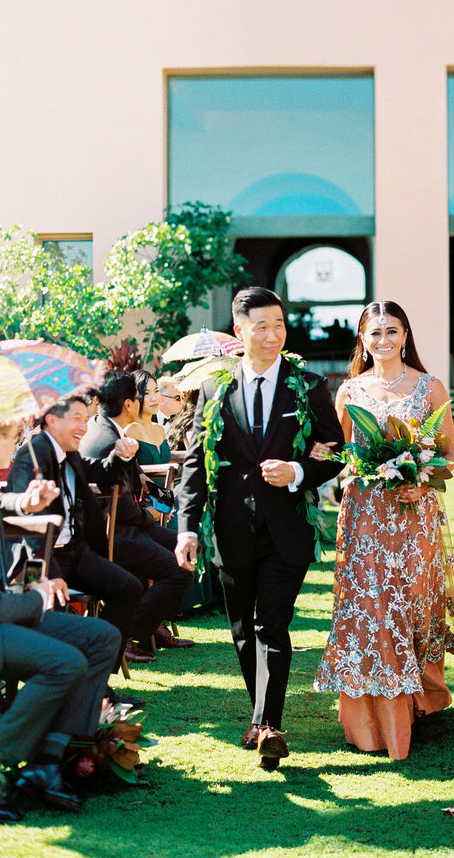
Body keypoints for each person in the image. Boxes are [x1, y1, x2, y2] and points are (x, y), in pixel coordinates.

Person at [176, 286, 344, 770]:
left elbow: (333, 448)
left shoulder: (308, 385)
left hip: (286, 529)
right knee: (241, 629)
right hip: (231, 531)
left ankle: (269, 724)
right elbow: (193, 464)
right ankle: (259, 715)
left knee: (272, 625)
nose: (273, 335)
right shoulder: (213, 388)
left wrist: (298, 473)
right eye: (262, 326)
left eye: (280, 325)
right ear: (239, 331)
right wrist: (187, 529)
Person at [313, 300, 454, 760]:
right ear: (362, 341)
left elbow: (449, 454)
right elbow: (336, 452)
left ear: (405, 336)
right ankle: (372, 720)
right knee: (370, 609)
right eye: (373, 333)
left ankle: (416, 699)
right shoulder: (349, 391)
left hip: (413, 517)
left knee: (411, 604)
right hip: (365, 518)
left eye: (391, 331)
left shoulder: (430, 387)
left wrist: (419, 480)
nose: (382, 340)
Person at [0, 423, 120, 824]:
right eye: (13, 436)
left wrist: (26, 502)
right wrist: (37, 594)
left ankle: (46, 760)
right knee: (66, 662)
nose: (20, 444)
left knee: (101, 637)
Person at [6, 395, 145, 679]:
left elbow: (98, 471)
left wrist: (118, 455)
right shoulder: (30, 456)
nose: (85, 425)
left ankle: (98, 679)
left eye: (87, 417)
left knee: (128, 587)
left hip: (74, 552)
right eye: (77, 418)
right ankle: (64, 682)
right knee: (52, 609)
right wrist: (44, 576)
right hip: (40, 559)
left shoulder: (68, 451)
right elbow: (24, 527)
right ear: (52, 420)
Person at [80, 371, 194, 661]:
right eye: (141, 395)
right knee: (178, 568)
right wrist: (151, 515)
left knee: (189, 549)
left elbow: (130, 481)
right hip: (114, 532)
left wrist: (143, 479)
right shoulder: (106, 438)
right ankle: (128, 632)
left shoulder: (106, 427)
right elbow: (116, 501)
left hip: (130, 524)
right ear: (130, 404)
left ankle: (149, 624)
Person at [127, 371, 172, 465]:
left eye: (156, 391)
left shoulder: (159, 429)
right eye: (146, 393)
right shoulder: (130, 429)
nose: (154, 398)